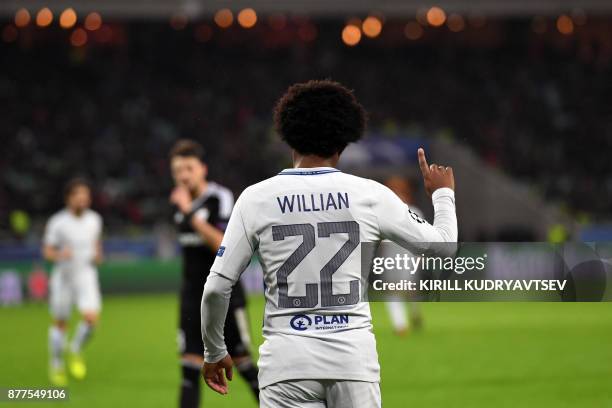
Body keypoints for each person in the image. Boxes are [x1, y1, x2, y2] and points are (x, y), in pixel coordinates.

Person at [200, 80, 457, 407]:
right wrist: (443, 195)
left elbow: (216, 289)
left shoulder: (255, 199)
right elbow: (444, 247)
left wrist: (214, 351)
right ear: (343, 141)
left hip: (286, 363)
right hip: (352, 360)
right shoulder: (370, 194)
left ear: (287, 135)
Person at [169, 139, 259, 408]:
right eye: (177, 171)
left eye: (189, 168)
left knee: (243, 365)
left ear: (202, 169)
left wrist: (190, 213)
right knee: (188, 370)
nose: (183, 176)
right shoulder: (177, 202)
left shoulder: (219, 198)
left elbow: (223, 244)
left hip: (225, 296)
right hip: (191, 297)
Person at [43, 178, 103, 386]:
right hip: (64, 277)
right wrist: (60, 254)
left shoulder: (95, 219)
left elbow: (96, 244)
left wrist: (98, 255)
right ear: (69, 198)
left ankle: (75, 349)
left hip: (86, 274)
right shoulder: (57, 222)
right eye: (78, 195)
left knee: (91, 319)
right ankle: (57, 363)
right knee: (60, 323)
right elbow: (47, 251)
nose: (83, 199)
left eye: (85, 195)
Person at [383, 176, 425, 335]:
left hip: (409, 257)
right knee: (393, 290)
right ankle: (400, 325)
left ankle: (414, 311)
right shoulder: (383, 213)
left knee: (409, 290)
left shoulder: (414, 212)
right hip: (390, 258)